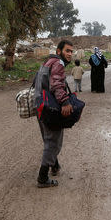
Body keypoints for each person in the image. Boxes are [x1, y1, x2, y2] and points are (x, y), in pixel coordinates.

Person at [36, 39, 74, 188]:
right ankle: (42, 177)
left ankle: (55, 166)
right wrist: (65, 102)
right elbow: (57, 84)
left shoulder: (49, 61)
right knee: (53, 142)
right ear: (59, 51)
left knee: (49, 139)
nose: (70, 54)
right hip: (50, 108)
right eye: (67, 51)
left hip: (40, 105)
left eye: (71, 51)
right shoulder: (58, 63)